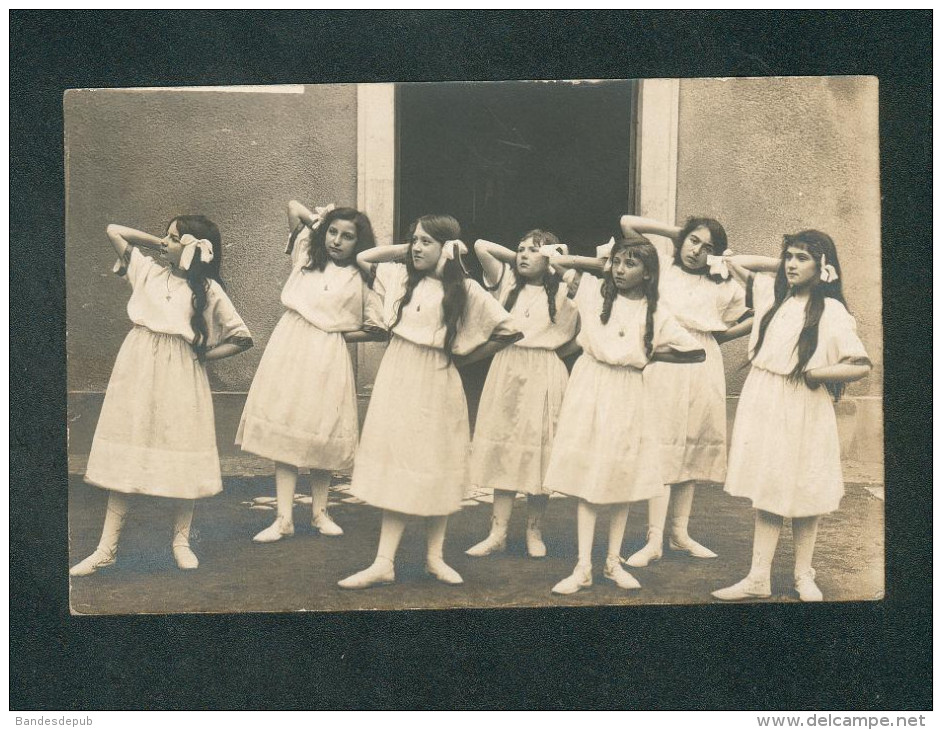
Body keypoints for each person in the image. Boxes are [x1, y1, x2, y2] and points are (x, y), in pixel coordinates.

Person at [337, 215, 521, 589]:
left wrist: (463, 357)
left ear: (447, 250)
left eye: (425, 242)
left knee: (435, 465)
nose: (416, 248)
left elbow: (510, 330)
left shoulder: (466, 290)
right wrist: (412, 252)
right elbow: (366, 256)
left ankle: (434, 558)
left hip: (437, 382)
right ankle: (383, 562)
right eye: (414, 240)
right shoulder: (403, 278)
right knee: (398, 465)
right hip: (398, 377)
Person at [71, 216, 253, 576]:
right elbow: (113, 230)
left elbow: (242, 337)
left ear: (193, 249)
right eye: (165, 236)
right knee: (128, 449)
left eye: (173, 238)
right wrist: (162, 242)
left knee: (181, 450)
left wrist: (203, 354)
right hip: (137, 372)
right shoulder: (148, 272)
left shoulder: (208, 291)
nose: (164, 242)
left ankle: (181, 541)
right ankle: (105, 548)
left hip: (181, 378)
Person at [712, 230, 870, 602]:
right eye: (790, 256)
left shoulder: (831, 311)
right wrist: (784, 266)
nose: (791, 264)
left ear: (823, 266)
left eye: (802, 258)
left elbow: (860, 363)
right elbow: (735, 263)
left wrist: (816, 374)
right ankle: (757, 578)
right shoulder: (772, 296)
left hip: (803, 404)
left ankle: (803, 574)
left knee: (804, 488)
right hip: (765, 399)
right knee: (770, 487)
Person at [541, 234, 705, 595]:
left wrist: (649, 353)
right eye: (616, 261)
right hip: (589, 384)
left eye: (631, 263)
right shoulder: (594, 292)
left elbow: (695, 352)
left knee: (621, 477)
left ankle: (612, 562)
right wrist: (596, 263)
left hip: (628, 391)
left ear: (648, 273)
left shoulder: (656, 312)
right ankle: (583, 566)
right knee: (588, 477)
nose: (619, 269)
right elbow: (560, 263)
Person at [236, 201, 384, 543]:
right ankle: (283, 517)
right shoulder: (306, 255)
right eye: (333, 232)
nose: (337, 240)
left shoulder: (362, 277)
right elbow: (292, 208)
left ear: (359, 243)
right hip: (290, 345)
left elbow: (377, 327)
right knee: (287, 426)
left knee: (322, 430)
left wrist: (336, 333)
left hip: (327, 354)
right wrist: (319, 222)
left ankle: (320, 512)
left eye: (348, 236)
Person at [616, 215, 752, 567]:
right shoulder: (661, 267)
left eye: (707, 247)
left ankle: (679, 534)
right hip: (666, 360)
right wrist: (680, 234)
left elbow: (760, 308)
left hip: (704, 362)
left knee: (692, 443)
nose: (697, 251)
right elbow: (628, 224)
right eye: (693, 241)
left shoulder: (723, 285)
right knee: (663, 445)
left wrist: (719, 337)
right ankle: (654, 539)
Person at [465, 231, 578, 559]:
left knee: (538, 452)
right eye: (521, 250)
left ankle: (534, 530)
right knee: (505, 448)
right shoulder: (506, 281)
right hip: (508, 368)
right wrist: (520, 256)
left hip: (545, 370)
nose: (525, 255)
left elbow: (582, 334)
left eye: (534, 251)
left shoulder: (566, 288)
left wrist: (559, 259)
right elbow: (481, 245)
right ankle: (497, 532)